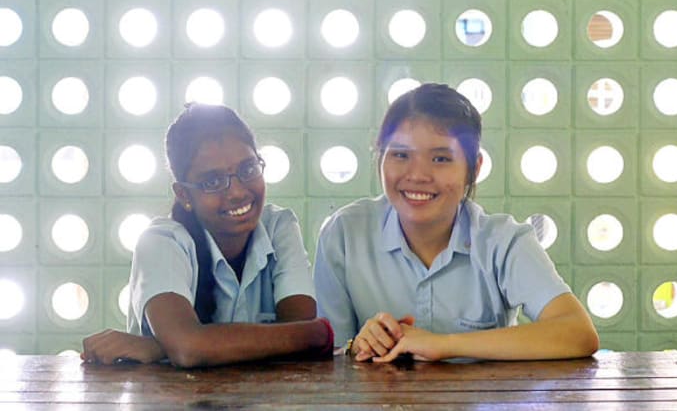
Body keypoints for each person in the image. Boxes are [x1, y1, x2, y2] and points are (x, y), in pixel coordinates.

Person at [313, 83, 599, 363]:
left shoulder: (503, 241)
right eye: (400, 155)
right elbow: (331, 357)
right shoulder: (344, 235)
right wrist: (358, 346)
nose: (418, 175)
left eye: (440, 158)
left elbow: (578, 333)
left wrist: (443, 345)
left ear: (474, 169)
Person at [82, 103, 333, 367]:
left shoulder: (279, 226)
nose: (237, 192)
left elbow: (299, 336)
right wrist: (318, 333)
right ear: (184, 195)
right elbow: (308, 335)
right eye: (212, 181)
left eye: (248, 169)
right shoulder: (161, 242)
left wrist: (162, 348)